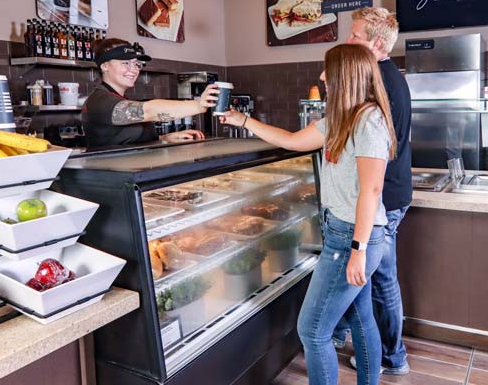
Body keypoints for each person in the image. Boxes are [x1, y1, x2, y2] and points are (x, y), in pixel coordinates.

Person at [221, 44, 397, 385]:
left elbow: (371, 191)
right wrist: (242, 120)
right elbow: (291, 140)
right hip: (342, 232)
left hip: (353, 237)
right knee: (361, 319)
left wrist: (358, 251)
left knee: (313, 330)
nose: (321, 77)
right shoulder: (340, 117)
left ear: (345, 75)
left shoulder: (369, 121)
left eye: (327, 71)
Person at [331, 7, 413, 375]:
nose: (348, 40)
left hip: (383, 198)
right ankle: (344, 332)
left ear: (377, 44)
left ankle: (393, 356)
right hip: (388, 194)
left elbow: (372, 167)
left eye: (356, 36)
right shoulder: (386, 75)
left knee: (379, 280)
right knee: (368, 277)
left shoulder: (380, 82)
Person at [82, 38, 218, 148]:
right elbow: (148, 111)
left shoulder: (118, 98)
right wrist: (199, 105)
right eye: (125, 63)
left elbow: (127, 140)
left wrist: (164, 138)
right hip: (109, 178)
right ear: (105, 66)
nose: (134, 70)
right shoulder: (99, 100)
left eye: (136, 64)